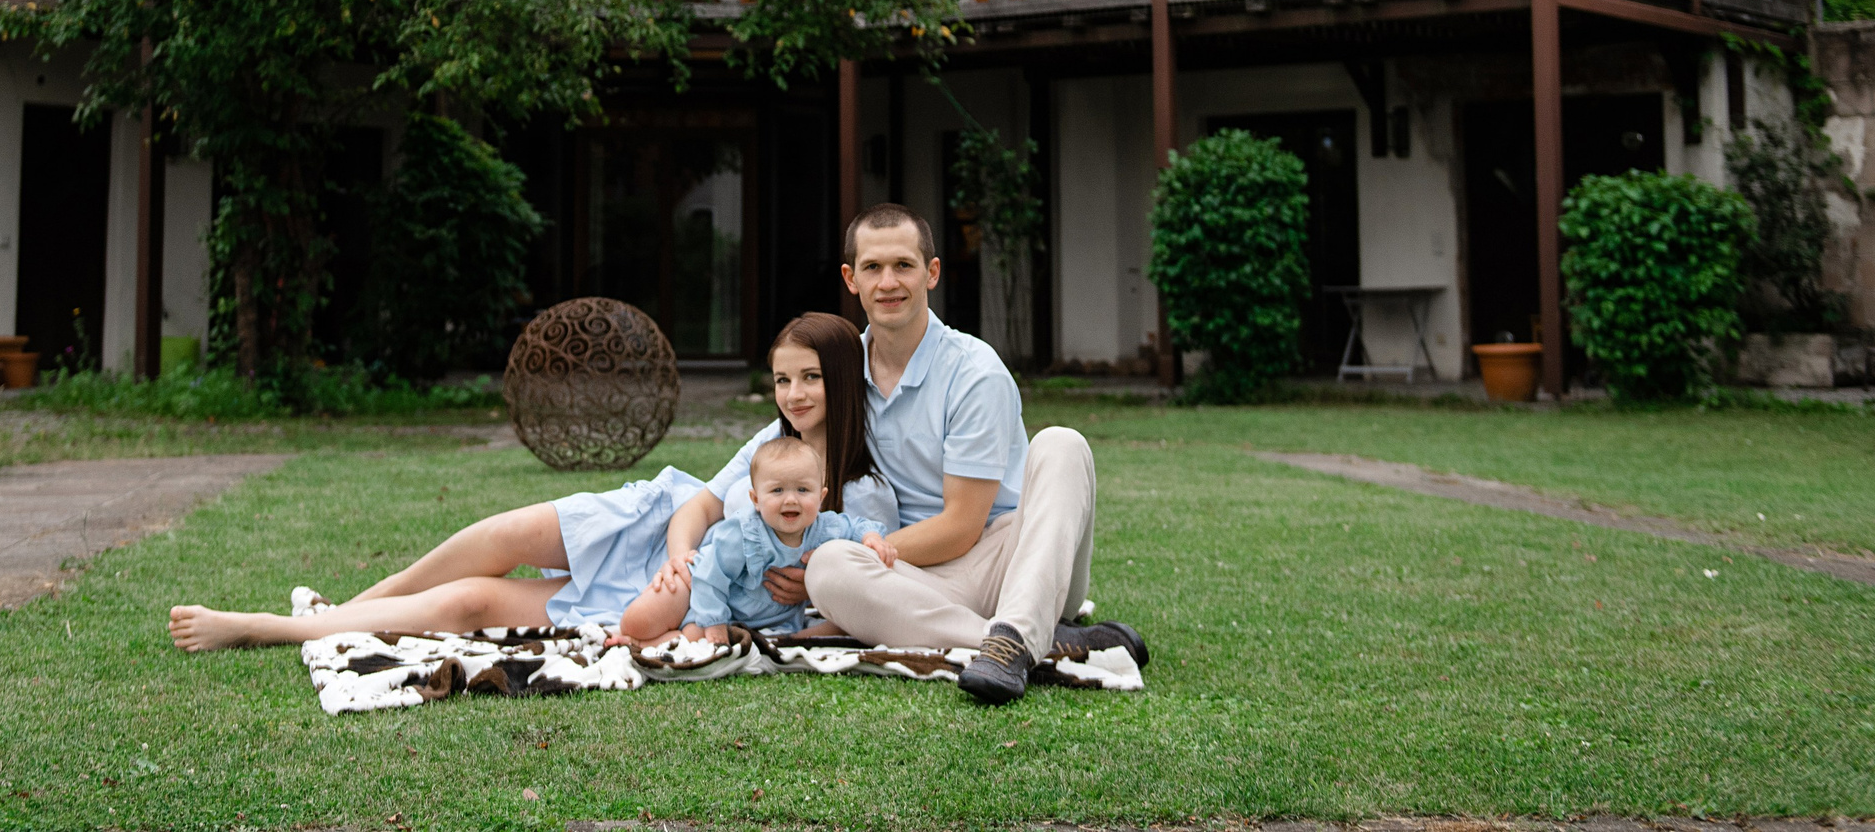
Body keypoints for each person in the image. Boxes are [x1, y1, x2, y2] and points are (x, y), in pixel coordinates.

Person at [166, 312, 889, 651]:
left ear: (845, 380)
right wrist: (680, 552)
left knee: (476, 601)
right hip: (657, 535)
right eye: (783, 378)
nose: (793, 393)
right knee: (505, 532)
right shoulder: (772, 442)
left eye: (812, 377)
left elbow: (853, 591)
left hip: (666, 598)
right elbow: (700, 502)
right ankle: (355, 605)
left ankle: (272, 630)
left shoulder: (866, 489)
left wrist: (799, 589)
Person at [799, 203, 1148, 705]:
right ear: (851, 279)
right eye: (873, 268)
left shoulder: (974, 371)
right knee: (829, 565)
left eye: (904, 265)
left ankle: (1017, 630)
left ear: (931, 273)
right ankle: (1031, 645)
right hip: (917, 580)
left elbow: (963, 526)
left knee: (1062, 444)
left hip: (1015, 559)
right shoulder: (839, 372)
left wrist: (876, 548)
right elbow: (771, 458)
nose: (889, 282)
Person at [615, 434, 881, 645]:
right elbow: (709, 577)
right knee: (637, 619)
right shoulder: (744, 533)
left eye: (803, 489)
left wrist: (871, 538)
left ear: (821, 496)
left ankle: (646, 644)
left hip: (747, 618)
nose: (791, 499)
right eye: (777, 490)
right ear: (756, 499)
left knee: (698, 641)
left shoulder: (824, 528)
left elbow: (857, 526)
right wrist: (714, 620)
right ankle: (635, 633)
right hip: (701, 591)